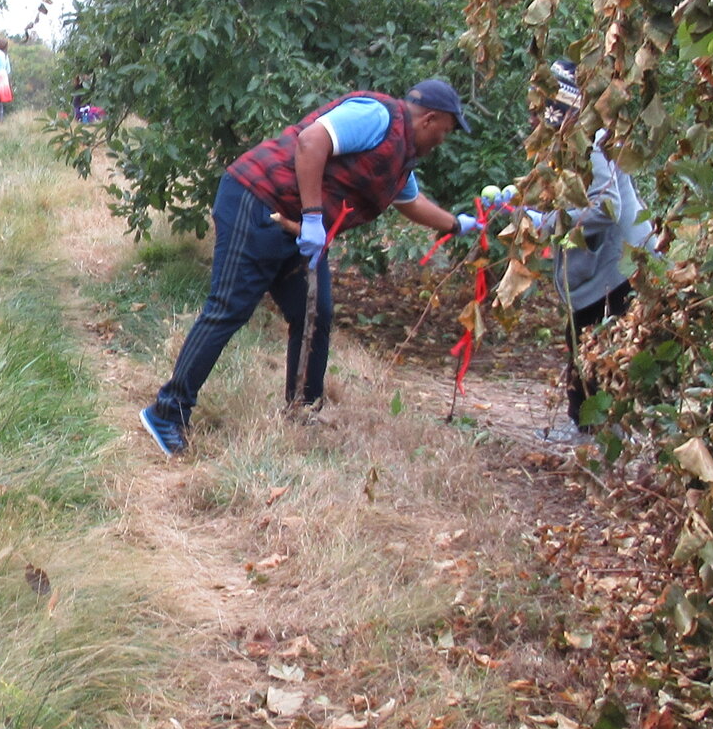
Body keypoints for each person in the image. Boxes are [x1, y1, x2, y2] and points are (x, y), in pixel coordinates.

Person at [138, 79, 485, 457]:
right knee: (229, 308)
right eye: (445, 131)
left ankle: (302, 409)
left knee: (315, 313)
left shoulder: (401, 158)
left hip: (297, 224)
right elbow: (312, 141)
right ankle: (167, 412)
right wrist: (315, 217)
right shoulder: (377, 116)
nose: (442, 141)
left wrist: (457, 224)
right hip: (256, 199)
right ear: (430, 119)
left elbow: (412, 202)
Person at [518, 60, 651, 442]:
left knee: (596, 363)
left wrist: (546, 224)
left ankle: (598, 447)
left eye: (539, 110)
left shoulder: (592, 141)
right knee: (587, 354)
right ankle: (595, 442)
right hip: (610, 268)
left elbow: (607, 208)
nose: (532, 120)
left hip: (620, 270)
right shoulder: (571, 143)